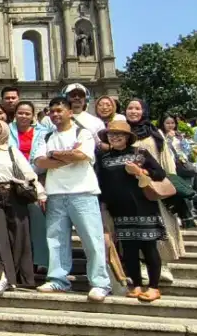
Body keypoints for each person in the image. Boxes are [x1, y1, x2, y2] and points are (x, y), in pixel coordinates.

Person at [33, 95, 112, 301]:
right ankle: (58, 279)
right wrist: (67, 155)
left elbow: (82, 156)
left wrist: (55, 156)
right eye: (52, 111)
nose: (56, 114)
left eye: (60, 110)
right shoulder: (47, 136)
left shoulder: (82, 132)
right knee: (56, 240)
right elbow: (41, 161)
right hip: (56, 192)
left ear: (70, 112)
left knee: (92, 239)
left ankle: (100, 282)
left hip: (83, 192)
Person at [97, 114, 175, 303]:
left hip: (144, 208)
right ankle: (137, 285)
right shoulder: (104, 158)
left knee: (149, 248)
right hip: (119, 210)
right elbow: (101, 182)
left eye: (119, 135)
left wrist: (140, 171)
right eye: (111, 135)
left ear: (127, 137)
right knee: (129, 250)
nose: (115, 138)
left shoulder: (139, 153)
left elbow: (159, 173)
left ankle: (154, 287)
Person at [0, 117, 45, 295]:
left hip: (15, 194)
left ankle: (21, 277)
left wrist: (40, 193)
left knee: (20, 235)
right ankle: (3, 276)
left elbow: (27, 172)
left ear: (3, 131)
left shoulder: (12, 150)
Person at [124, 97, 183, 278]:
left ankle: (163, 264)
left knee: (162, 224)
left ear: (144, 111)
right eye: (130, 108)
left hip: (155, 184)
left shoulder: (154, 132)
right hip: (131, 187)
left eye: (137, 108)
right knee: (136, 226)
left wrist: (171, 181)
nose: (133, 111)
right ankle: (142, 264)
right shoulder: (122, 131)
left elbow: (166, 159)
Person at [12, 100, 50, 273]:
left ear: (33, 115)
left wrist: (31, 176)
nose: (23, 116)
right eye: (20, 113)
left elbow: (44, 156)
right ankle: (19, 261)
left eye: (27, 113)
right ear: (15, 114)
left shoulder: (43, 133)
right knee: (16, 221)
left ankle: (42, 259)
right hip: (12, 179)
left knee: (38, 219)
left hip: (36, 180)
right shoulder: (7, 130)